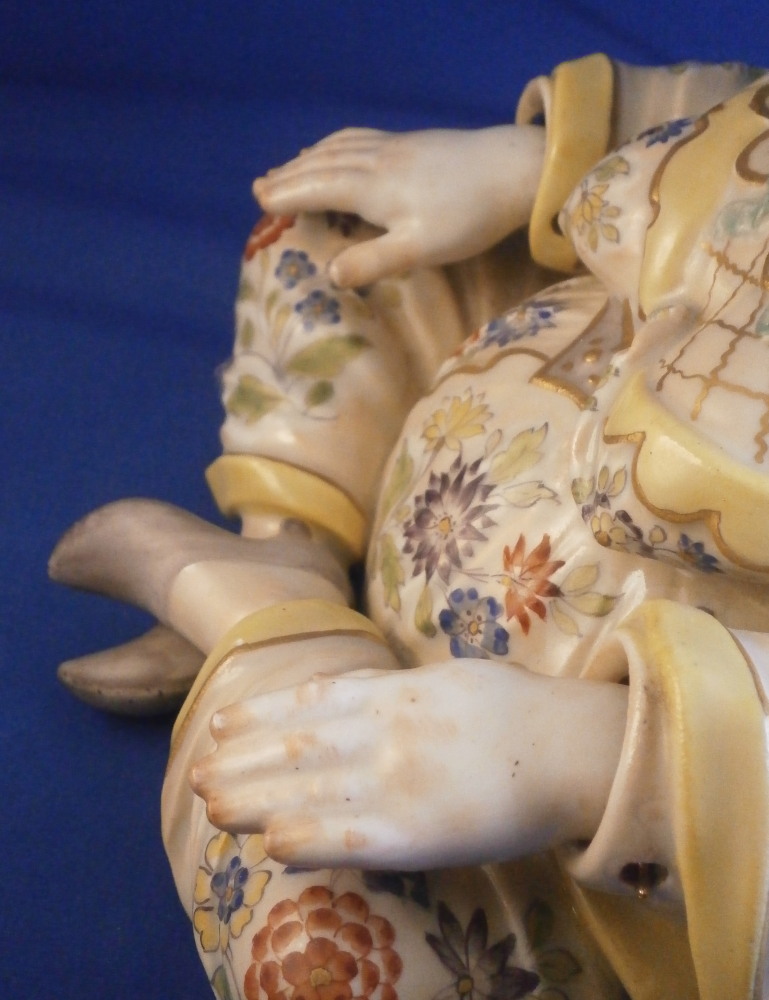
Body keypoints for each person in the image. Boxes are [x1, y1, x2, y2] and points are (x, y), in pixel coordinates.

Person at [50, 56, 769, 999]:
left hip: (552, 827)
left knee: (328, 962)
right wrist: (534, 169)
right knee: (331, 227)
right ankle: (291, 538)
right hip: (551, 342)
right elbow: (726, 113)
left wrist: (583, 761)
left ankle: (261, 628)